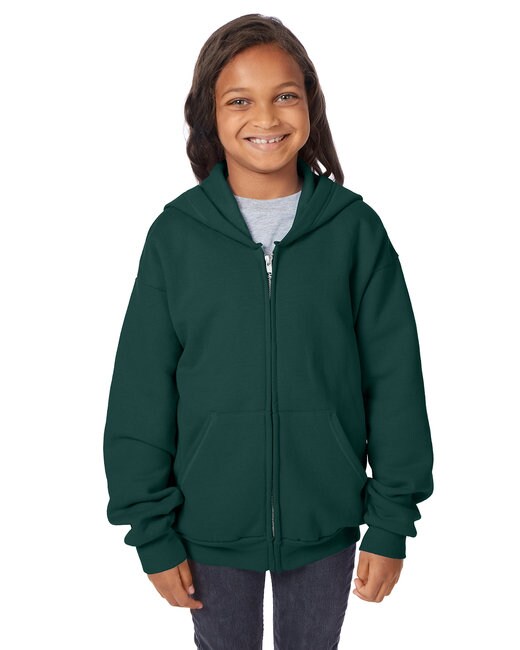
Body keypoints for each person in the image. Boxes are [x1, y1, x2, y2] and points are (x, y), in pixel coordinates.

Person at [102, 13, 434, 650]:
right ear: (209, 114)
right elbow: (142, 392)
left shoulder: (354, 231)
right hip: (208, 525)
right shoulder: (176, 236)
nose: (265, 117)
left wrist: (391, 522)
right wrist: (151, 532)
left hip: (326, 522)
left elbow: (395, 383)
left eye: (285, 95)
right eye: (239, 100)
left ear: (311, 106)